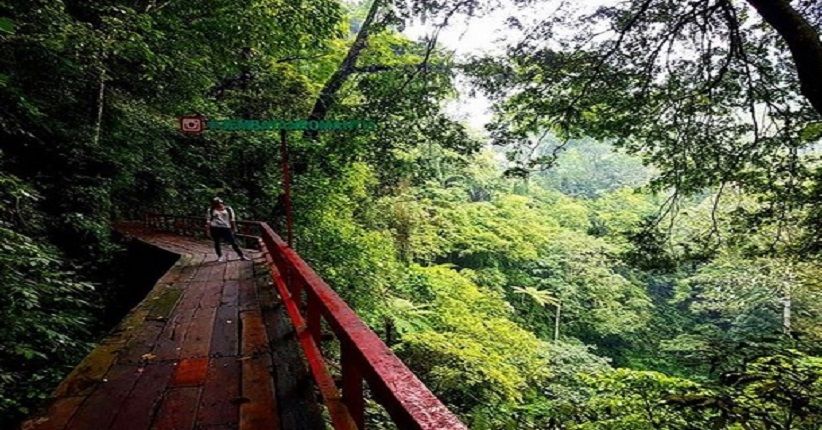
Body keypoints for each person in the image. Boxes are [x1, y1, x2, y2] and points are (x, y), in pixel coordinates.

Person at [205, 197, 249, 262]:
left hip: (226, 227)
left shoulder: (228, 209)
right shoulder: (211, 210)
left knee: (233, 242)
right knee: (217, 242)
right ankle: (220, 256)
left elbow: (232, 219)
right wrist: (208, 230)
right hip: (215, 227)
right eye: (216, 203)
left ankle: (241, 255)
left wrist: (234, 227)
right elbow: (208, 220)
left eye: (219, 203)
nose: (218, 205)